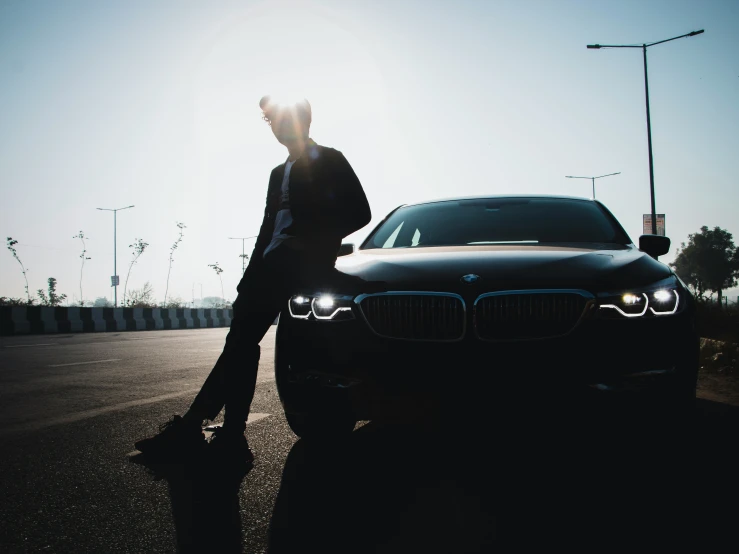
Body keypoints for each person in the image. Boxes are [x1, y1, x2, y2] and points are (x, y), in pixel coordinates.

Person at [135, 95, 371, 462]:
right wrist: (250, 275)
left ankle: (203, 429)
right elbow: (268, 227)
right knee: (240, 345)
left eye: (285, 119)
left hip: (303, 264)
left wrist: (309, 241)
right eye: (272, 121)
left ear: (307, 122)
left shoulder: (329, 159)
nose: (279, 126)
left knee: (244, 345)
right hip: (268, 266)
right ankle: (228, 433)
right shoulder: (278, 173)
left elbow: (360, 211)